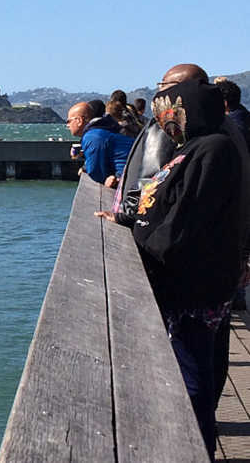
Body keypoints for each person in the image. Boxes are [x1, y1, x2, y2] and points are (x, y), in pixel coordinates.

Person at [96, 77, 242, 460]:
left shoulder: (213, 150)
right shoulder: (195, 148)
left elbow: (186, 217)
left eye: (169, 115)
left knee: (193, 379)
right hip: (184, 280)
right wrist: (131, 221)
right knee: (191, 369)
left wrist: (149, 242)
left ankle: (194, 449)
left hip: (194, 285)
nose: (164, 123)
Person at [66, 102, 133, 186]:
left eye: (69, 121)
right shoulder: (101, 131)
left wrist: (105, 179)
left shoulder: (92, 136)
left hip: (130, 180)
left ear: (79, 120)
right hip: (133, 174)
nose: (67, 125)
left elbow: (96, 171)